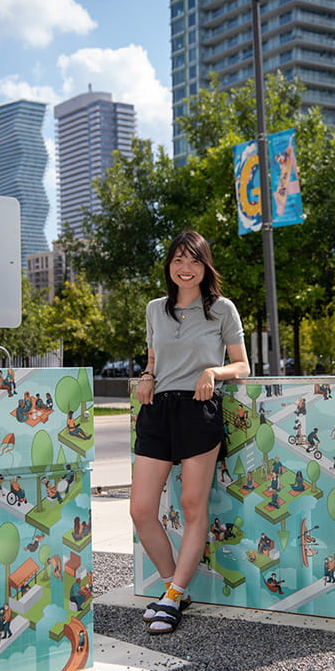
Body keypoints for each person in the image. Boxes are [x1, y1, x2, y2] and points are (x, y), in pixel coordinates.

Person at [130, 230, 250, 635]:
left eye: (194, 261)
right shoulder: (154, 309)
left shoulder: (222, 310)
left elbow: (242, 366)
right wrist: (147, 375)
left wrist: (212, 371)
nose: (186, 269)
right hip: (156, 411)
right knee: (141, 509)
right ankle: (173, 591)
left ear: (205, 266)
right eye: (179, 260)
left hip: (199, 410)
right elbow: (153, 354)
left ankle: (174, 594)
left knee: (192, 504)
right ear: (169, 266)